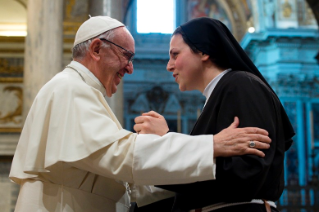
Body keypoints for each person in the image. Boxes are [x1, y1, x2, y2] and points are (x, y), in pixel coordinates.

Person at [9, 16, 272, 212]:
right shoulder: (68, 88)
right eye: (127, 56)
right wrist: (211, 144)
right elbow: (120, 157)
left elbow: (121, 178)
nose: (130, 68)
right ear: (97, 49)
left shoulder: (240, 85)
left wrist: (174, 159)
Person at [133, 17, 295, 212]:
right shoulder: (222, 92)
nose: (169, 65)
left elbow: (246, 172)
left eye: (175, 55)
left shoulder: (241, 85)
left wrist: (167, 142)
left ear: (203, 51)